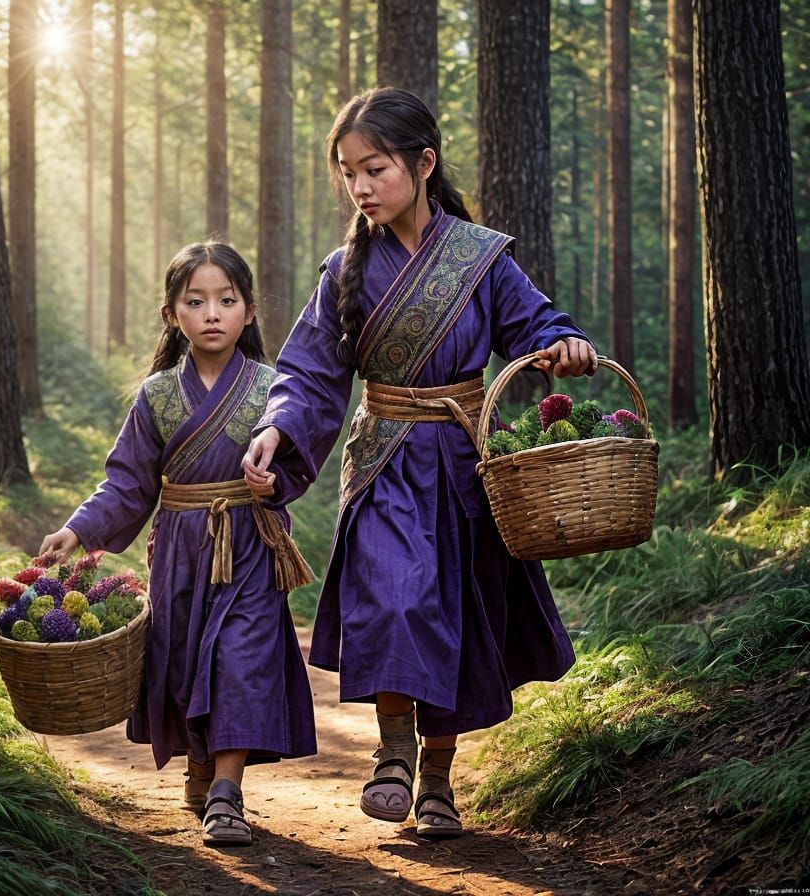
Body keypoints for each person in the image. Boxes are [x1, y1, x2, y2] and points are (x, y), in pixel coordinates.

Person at [241, 87, 598, 840]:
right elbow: (306, 374)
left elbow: (534, 321)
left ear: (424, 163)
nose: (360, 187)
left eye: (374, 168)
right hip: (385, 461)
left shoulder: (481, 258)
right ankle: (394, 751)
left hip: (468, 464)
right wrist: (277, 429)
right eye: (348, 173)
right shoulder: (344, 270)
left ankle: (437, 779)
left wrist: (563, 343)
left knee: (457, 621)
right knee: (397, 602)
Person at [39, 241, 317, 848]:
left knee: (241, 658)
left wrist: (272, 483)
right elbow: (126, 483)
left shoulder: (274, 390)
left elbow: (297, 463)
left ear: (248, 310)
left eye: (227, 299)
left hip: (250, 543)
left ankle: (226, 793)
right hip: (181, 551)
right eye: (196, 301)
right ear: (173, 314)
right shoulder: (158, 395)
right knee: (188, 660)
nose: (212, 313)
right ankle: (200, 763)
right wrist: (79, 529)